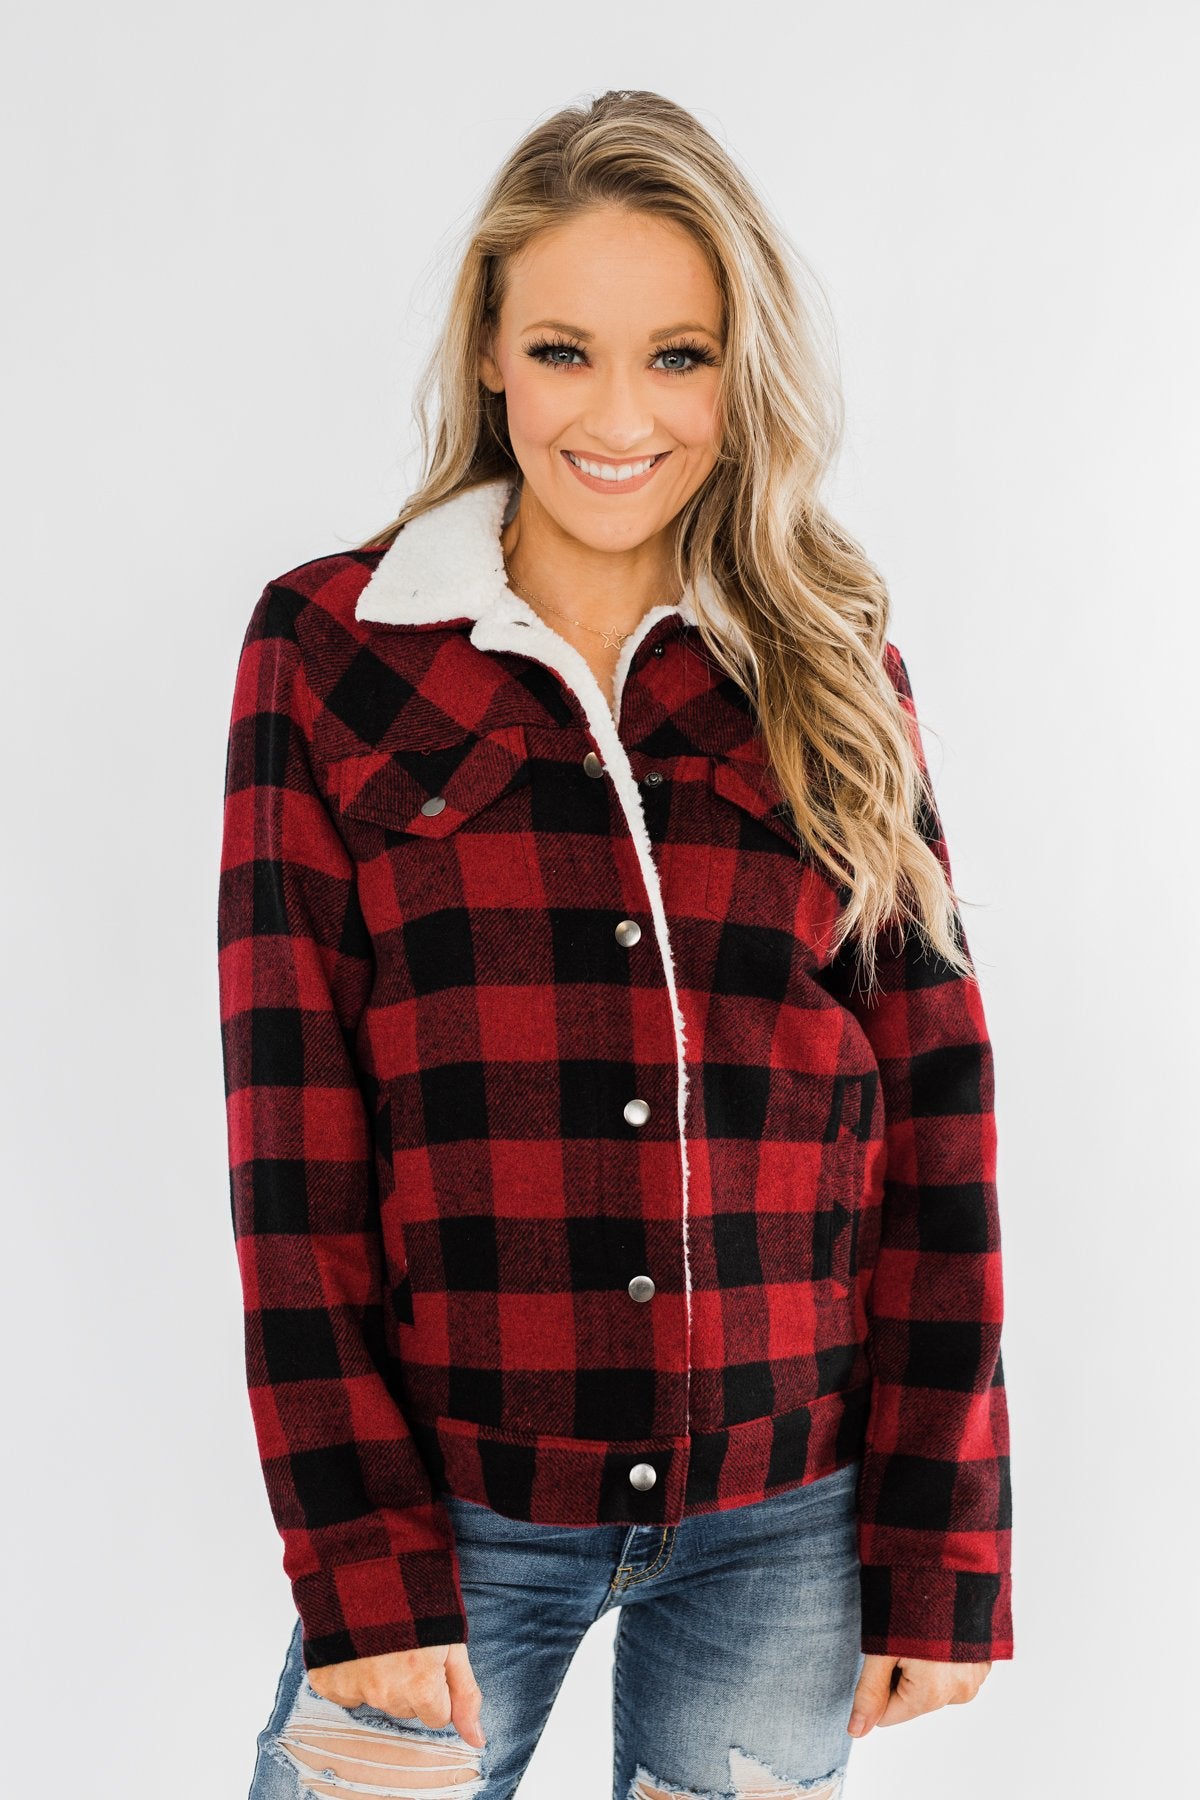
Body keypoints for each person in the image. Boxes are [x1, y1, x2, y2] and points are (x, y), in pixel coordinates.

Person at [217, 88, 1012, 1800]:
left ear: (742, 374)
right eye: (565, 351)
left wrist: (941, 1544)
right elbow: (293, 1146)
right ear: (490, 353)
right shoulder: (330, 649)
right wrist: (358, 1558)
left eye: (680, 357)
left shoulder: (828, 654)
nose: (620, 415)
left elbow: (936, 1111)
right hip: (454, 1518)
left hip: (790, 1522)